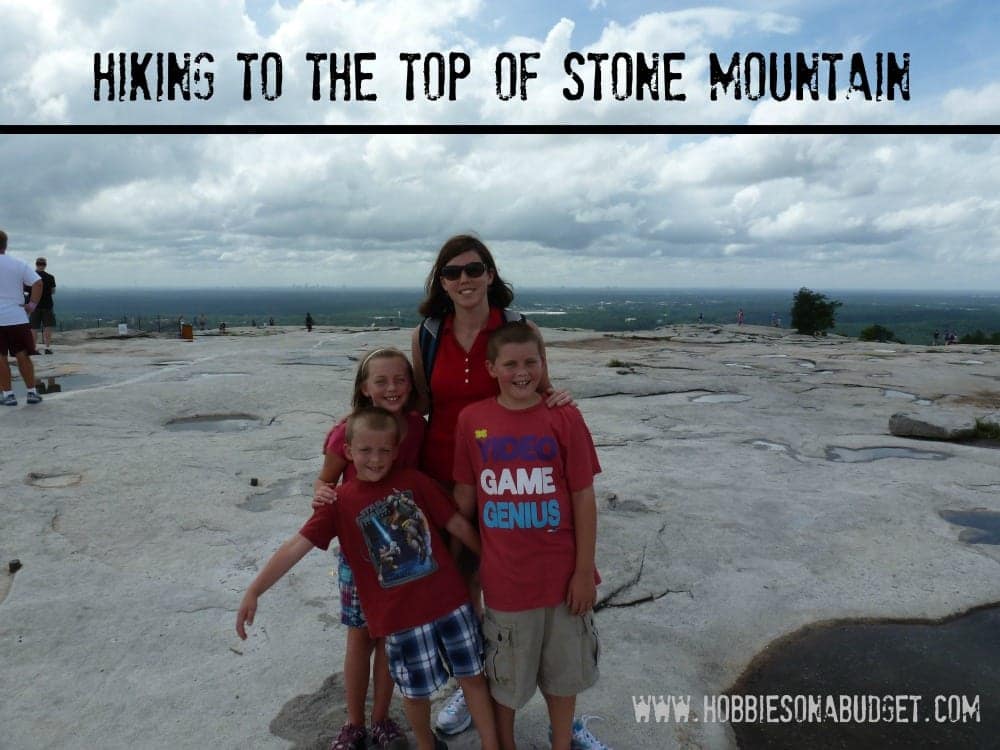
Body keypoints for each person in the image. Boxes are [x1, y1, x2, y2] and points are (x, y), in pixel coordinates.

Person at [237, 407, 500, 750]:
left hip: (450, 604)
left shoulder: (415, 481)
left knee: (473, 677)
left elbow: (457, 524)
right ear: (348, 451)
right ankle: (426, 745)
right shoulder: (338, 503)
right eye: (365, 450)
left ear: (396, 451)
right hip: (400, 620)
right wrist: (255, 590)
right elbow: (295, 547)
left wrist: (492, 564)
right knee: (415, 694)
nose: (375, 459)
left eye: (384, 450)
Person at [410, 234, 568, 736]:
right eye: (452, 272)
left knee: (503, 579)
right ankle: (473, 683)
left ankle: (528, 686)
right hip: (443, 475)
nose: (465, 280)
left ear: (491, 274)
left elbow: (538, 389)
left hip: (504, 478)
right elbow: (420, 405)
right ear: (441, 282)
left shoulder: (517, 328)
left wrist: (561, 404)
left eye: (474, 269)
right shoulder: (428, 334)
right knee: (460, 585)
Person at [453, 322, 607, 750]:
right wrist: (453, 557)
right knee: (507, 682)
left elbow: (583, 496)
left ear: (543, 363)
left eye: (530, 362)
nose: (521, 373)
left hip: (562, 580)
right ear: (491, 368)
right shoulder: (472, 420)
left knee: (564, 676)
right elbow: (464, 496)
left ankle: (562, 743)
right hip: (506, 584)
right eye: (510, 364)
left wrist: (583, 572)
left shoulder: (564, 417)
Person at [311, 348, 426, 750]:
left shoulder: (416, 426)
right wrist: (322, 494)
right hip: (359, 554)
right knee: (360, 638)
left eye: (400, 379)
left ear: (411, 385)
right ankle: (354, 723)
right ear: (364, 388)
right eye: (381, 381)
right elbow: (324, 480)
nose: (392, 387)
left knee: (390, 637)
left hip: (402, 554)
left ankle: (381, 719)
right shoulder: (346, 432)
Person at [0, 230, 43, 406]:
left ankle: (8, 395)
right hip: (17, 317)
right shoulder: (18, 263)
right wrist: (31, 305)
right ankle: (31, 392)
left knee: (0, 358)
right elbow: (37, 283)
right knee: (22, 354)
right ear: (5, 245)